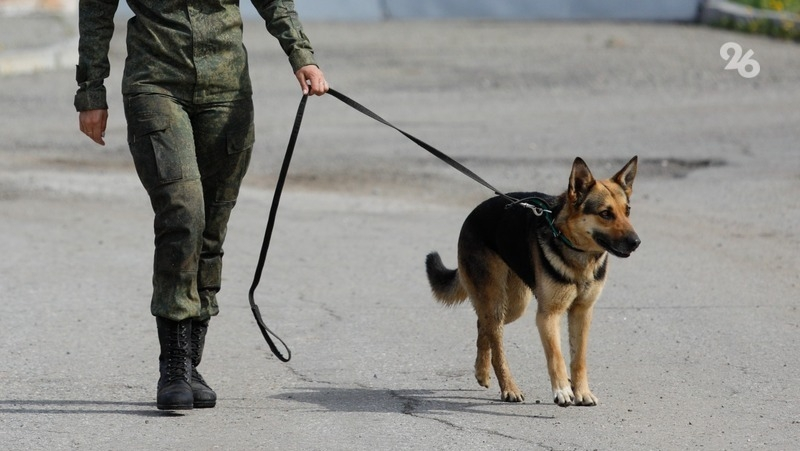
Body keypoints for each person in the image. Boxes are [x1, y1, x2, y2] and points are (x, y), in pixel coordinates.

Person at [74, 0, 328, 410]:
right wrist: (90, 91)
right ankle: (173, 366)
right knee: (183, 212)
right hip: (155, 83)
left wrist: (301, 54)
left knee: (211, 226)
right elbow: (96, 9)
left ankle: (192, 362)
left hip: (226, 91)